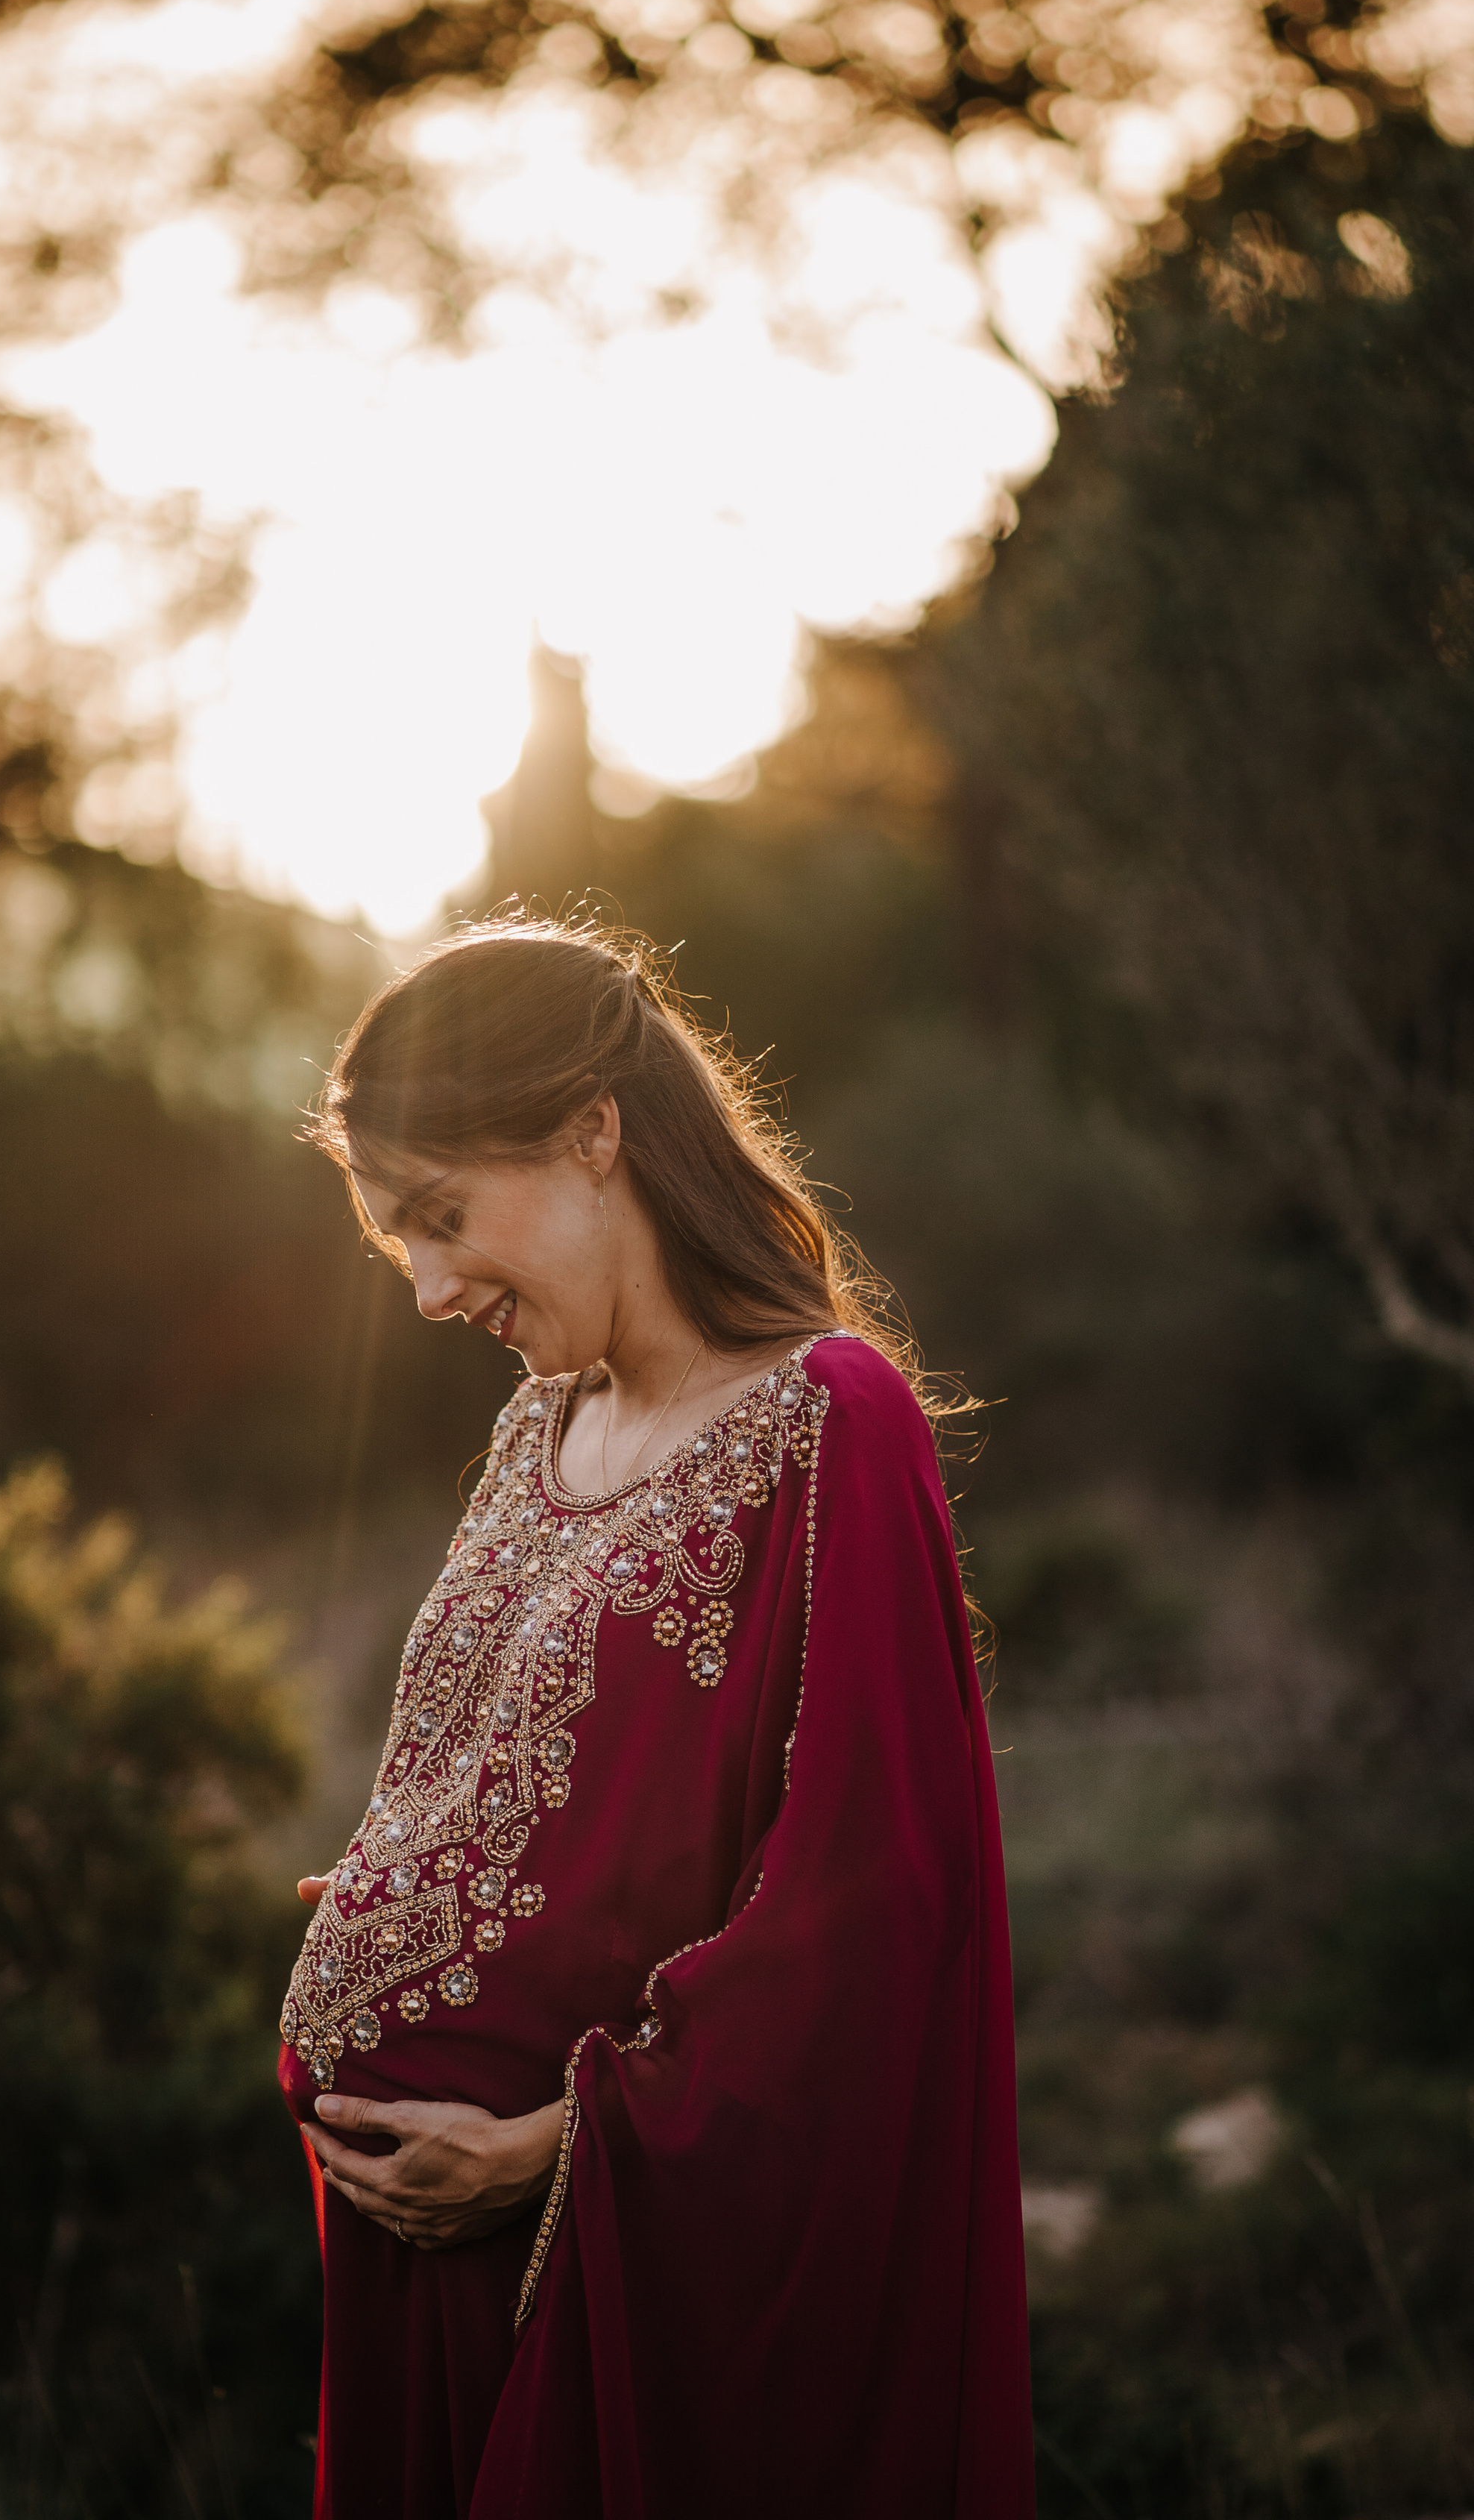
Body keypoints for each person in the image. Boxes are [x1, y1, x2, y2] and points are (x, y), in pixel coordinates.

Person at [280, 919, 1033, 2519]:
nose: (421, 1287)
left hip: (616, 2261)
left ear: (591, 1131)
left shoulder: (832, 1424)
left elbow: (867, 1909)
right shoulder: (537, 1421)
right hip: (427, 2270)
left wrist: (555, 2146)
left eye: (441, 1217)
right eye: (392, 1244)